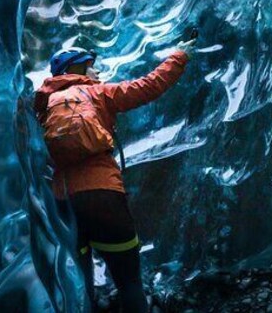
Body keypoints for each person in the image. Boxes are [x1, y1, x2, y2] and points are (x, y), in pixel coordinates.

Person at [33, 37, 196, 312]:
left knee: (79, 288)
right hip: (102, 195)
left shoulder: (41, 109)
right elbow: (148, 86)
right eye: (91, 67)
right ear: (77, 70)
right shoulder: (96, 94)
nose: (97, 73)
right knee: (129, 282)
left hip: (62, 205)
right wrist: (180, 56)